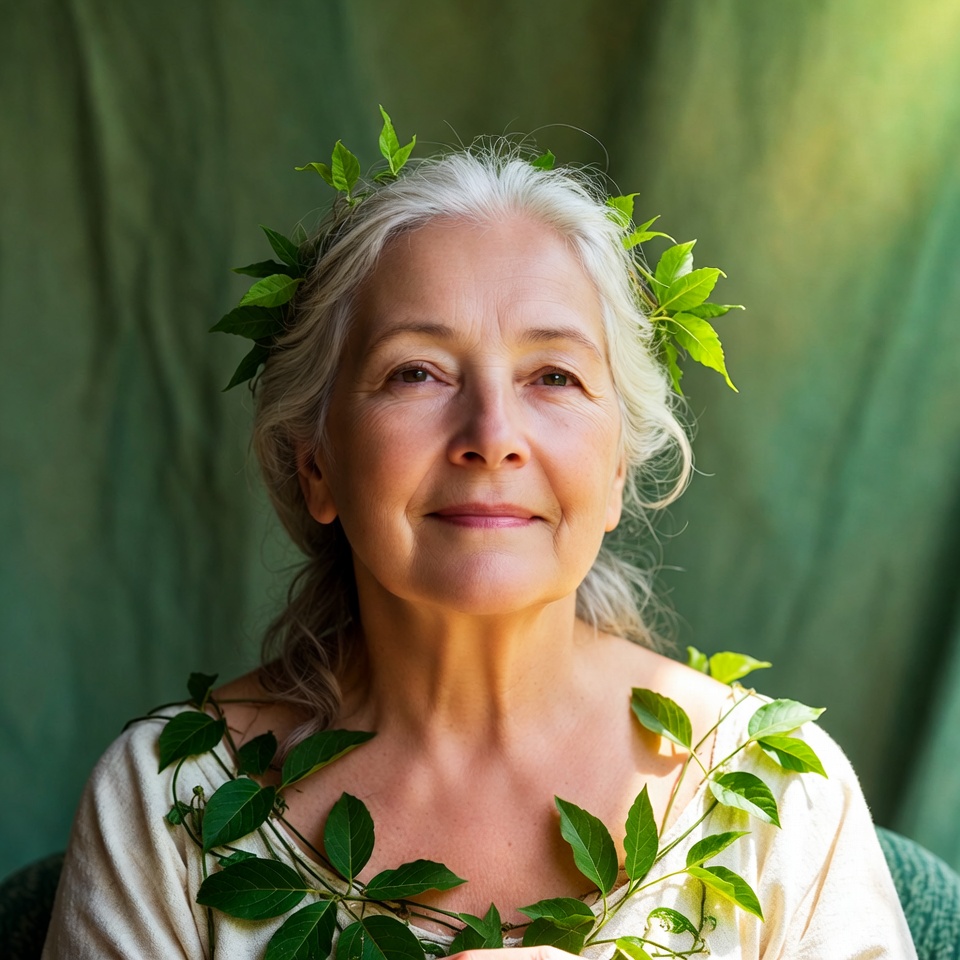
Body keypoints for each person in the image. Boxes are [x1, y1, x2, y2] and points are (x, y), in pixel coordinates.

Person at [42, 139, 915, 960]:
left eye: (554, 376)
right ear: (317, 466)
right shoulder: (174, 801)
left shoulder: (774, 796)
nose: (492, 436)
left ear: (616, 469)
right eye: (416, 372)